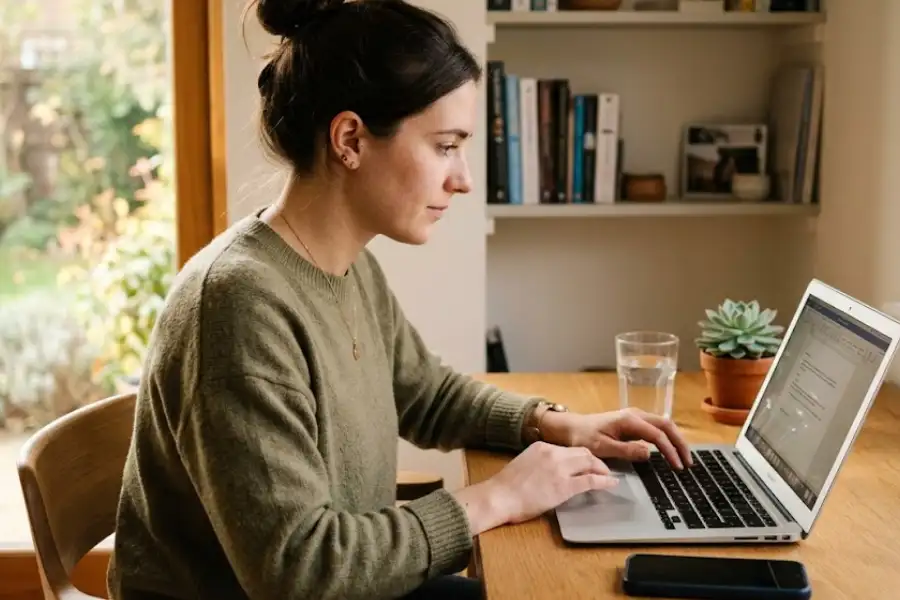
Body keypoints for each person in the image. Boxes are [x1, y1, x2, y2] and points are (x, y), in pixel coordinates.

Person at [105, 1, 693, 599]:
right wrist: (499, 497)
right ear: (350, 139)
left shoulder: (342, 263)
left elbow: (425, 394)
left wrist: (560, 425)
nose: (462, 178)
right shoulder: (238, 305)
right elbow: (299, 572)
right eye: (445, 146)